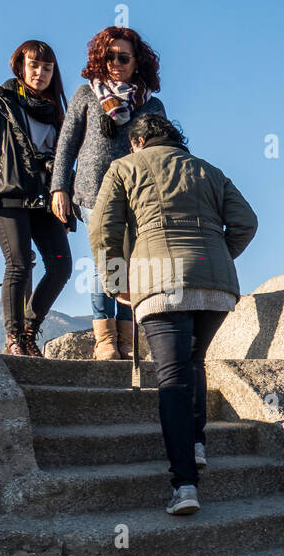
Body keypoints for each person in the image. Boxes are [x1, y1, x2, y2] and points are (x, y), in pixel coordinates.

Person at [89, 114, 257, 515]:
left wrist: (116, 283)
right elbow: (246, 223)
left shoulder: (124, 167)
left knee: (172, 378)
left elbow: (102, 230)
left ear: (138, 141)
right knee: (194, 362)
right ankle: (196, 443)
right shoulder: (210, 170)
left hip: (159, 281)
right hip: (215, 286)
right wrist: (214, 258)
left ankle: (185, 485)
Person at [51, 26, 165, 360]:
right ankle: (105, 340)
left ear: (136, 61)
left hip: (136, 197)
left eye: (123, 57)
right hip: (91, 193)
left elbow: (160, 152)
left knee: (131, 266)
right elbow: (67, 144)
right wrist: (59, 186)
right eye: (109, 56)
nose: (116, 62)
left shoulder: (152, 105)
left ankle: (127, 341)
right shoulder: (86, 95)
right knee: (107, 262)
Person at [0, 40, 74, 356]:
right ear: (21, 66)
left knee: (62, 266)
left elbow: (64, 166)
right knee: (19, 263)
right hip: (5, 195)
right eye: (34, 65)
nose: (40, 72)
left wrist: (69, 209)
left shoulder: (56, 112)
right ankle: (14, 338)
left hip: (45, 201)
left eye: (47, 67)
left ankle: (29, 330)